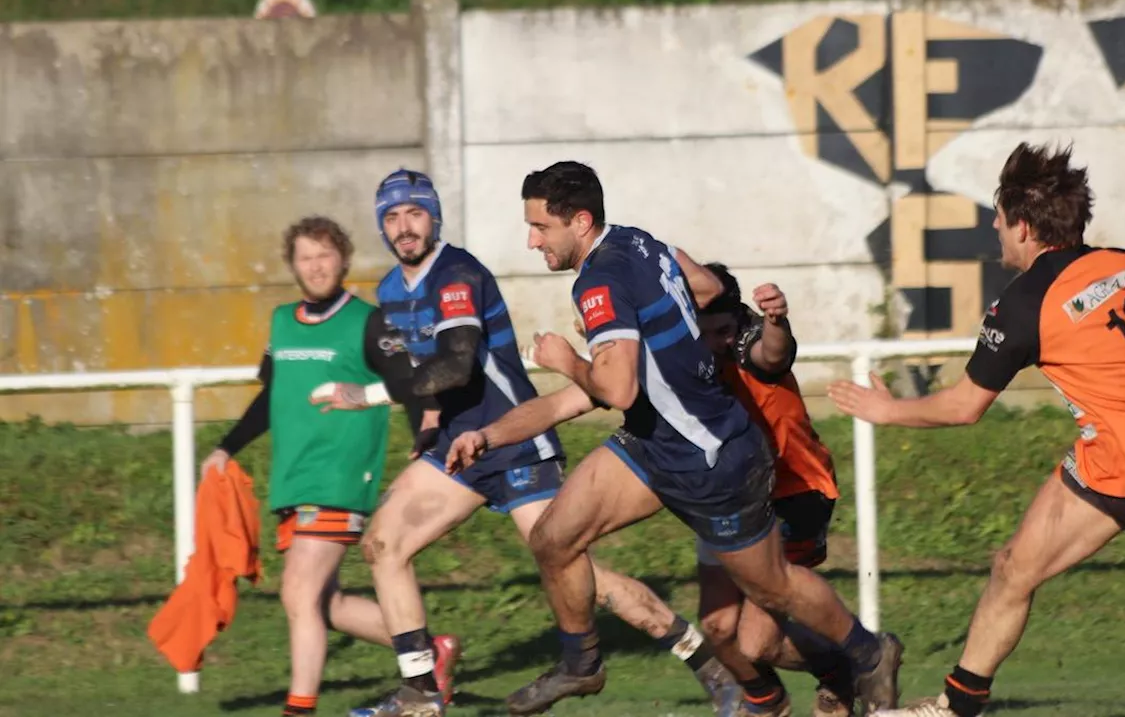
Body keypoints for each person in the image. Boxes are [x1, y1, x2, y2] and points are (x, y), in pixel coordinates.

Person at [824, 142, 1125, 717]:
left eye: (1001, 217)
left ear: (1026, 228)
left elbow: (964, 406)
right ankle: (953, 708)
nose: (994, 226)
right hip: (1105, 463)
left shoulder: (1023, 306)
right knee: (1015, 568)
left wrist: (887, 412)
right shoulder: (1122, 264)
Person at [445, 160, 903, 717]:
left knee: (773, 590)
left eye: (541, 227)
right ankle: (580, 664)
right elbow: (708, 288)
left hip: (712, 462)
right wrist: (487, 435)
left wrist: (570, 359)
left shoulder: (599, 280)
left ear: (581, 222)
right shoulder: (642, 243)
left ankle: (867, 654)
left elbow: (614, 387)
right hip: (651, 446)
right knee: (553, 538)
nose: (531, 240)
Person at [312, 170, 743, 717]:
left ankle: (704, 660)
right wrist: (427, 431)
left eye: (414, 213)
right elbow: (423, 377)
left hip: (515, 440)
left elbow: (456, 363)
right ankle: (420, 692)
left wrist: (367, 394)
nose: (404, 227)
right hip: (459, 447)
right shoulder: (392, 290)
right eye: (392, 217)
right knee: (382, 545)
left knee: (586, 576)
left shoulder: (457, 273)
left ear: (435, 216)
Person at [199, 215, 454, 717]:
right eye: (305, 257)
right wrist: (227, 447)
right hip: (293, 479)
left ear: (343, 259)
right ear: (292, 266)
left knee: (297, 591)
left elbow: (409, 384)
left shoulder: (370, 322)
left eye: (324, 255)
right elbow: (272, 396)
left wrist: (423, 438)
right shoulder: (280, 322)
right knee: (322, 604)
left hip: (340, 476)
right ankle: (429, 652)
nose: (315, 266)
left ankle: (299, 709)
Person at [693, 264, 854, 717]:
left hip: (795, 494)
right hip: (731, 498)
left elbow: (772, 354)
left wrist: (778, 320)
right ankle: (768, 701)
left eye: (723, 330)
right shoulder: (690, 353)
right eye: (705, 333)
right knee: (718, 626)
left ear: (739, 320)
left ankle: (849, 664)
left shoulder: (749, 343)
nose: (716, 344)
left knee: (756, 640)